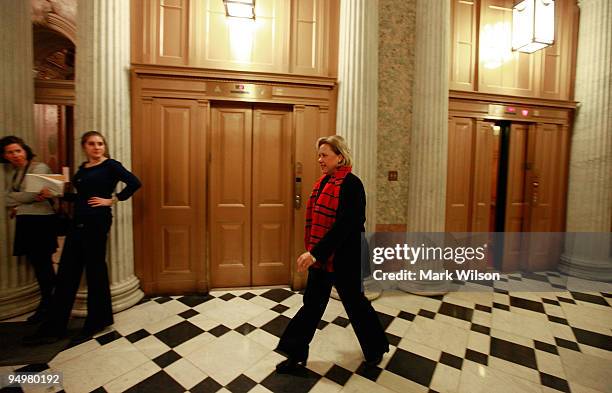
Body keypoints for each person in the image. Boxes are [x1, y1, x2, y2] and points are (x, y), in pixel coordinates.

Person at [275, 135, 389, 373]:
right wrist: (316, 253)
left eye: (324, 155)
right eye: (319, 155)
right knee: (312, 305)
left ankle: (375, 348)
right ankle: (295, 353)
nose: (320, 160)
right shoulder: (323, 183)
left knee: (355, 304)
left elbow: (346, 226)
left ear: (339, 156)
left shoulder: (352, 184)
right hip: (322, 259)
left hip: (346, 258)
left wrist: (315, 253)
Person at [24, 131, 141, 344]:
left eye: (100, 144)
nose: (96, 147)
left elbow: (134, 183)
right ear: (84, 147)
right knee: (67, 271)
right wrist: (56, 194)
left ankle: (97, 320)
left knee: (95, 270)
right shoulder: (82, 169)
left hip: (97, 223)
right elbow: (80, 197)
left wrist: (113, 200)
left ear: (104, 146)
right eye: (91, 144)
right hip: (77, 222)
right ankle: (55, 325)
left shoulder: (111, 165)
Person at [1, 136, 58, 323]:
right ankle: (49, 302)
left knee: (43, 265)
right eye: (10, 152)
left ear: (25, 150)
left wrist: (17, 198)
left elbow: (28, 195)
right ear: (5, 156)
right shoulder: (15, 172)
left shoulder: (38, 168)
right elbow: (7, 199)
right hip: (27, 222)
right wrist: (20, 198)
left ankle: (50, 305)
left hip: (41, 222)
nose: (15, 155)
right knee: (38, 264)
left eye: (18, 150)